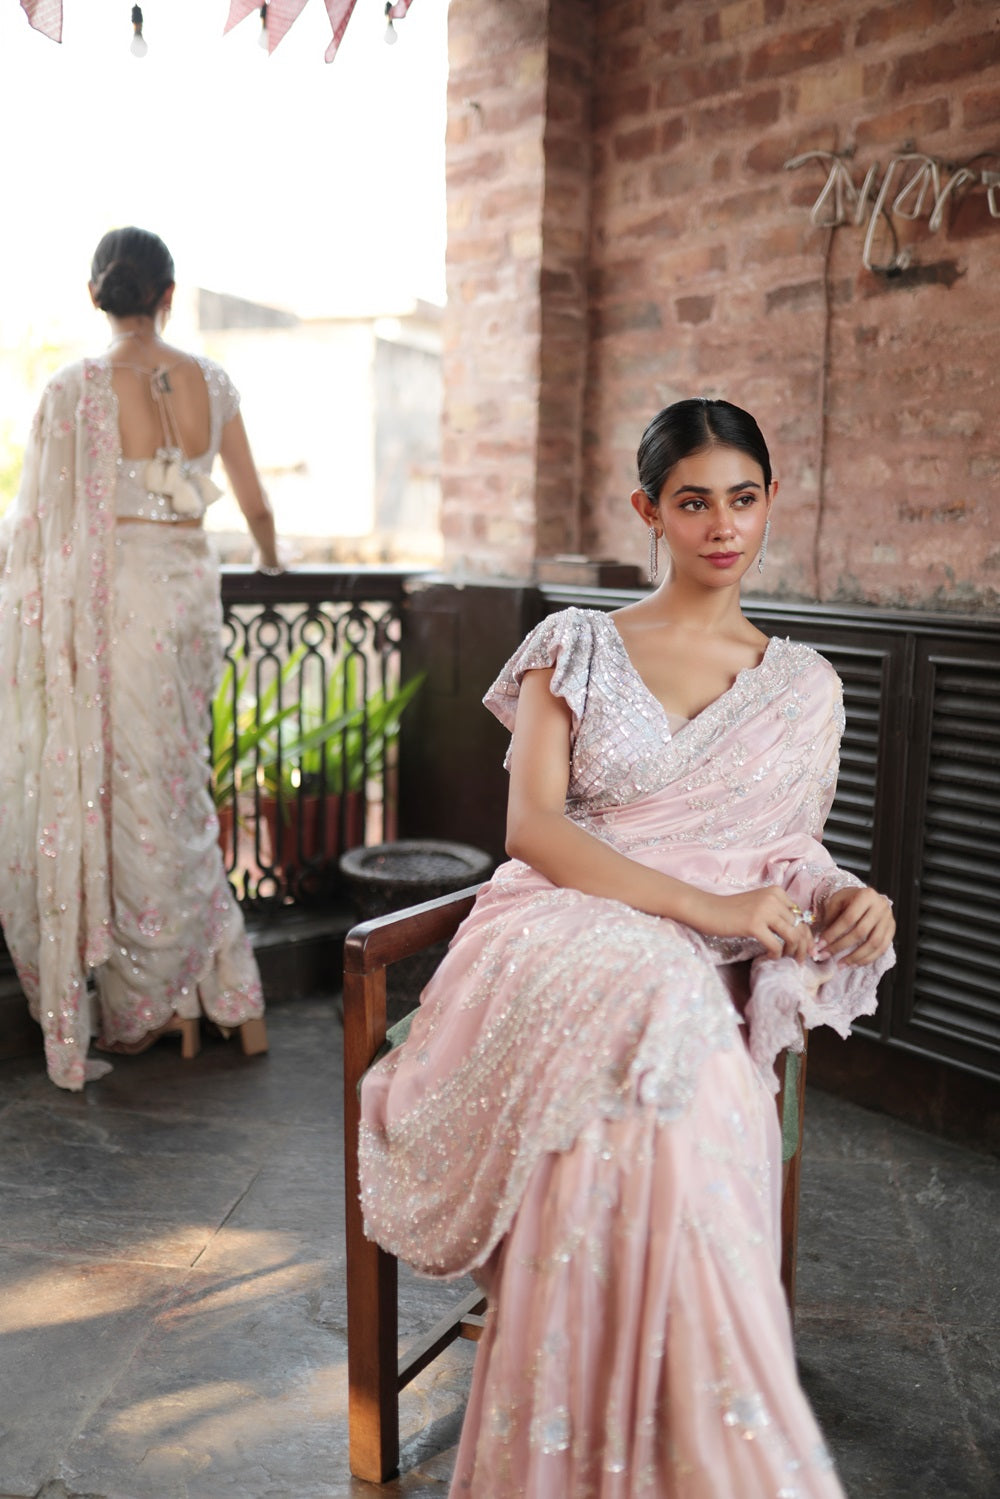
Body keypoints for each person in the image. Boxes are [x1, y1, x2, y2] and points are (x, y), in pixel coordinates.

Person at [358, 398, 896, 1497]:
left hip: (695, 965)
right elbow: (534, 831)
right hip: (555, 923)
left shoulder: (804, 687)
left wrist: (846, 892)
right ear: (649, 510)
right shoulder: (578, 645)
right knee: (655, 989)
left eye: (742, 498)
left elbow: (785, 847)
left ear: (769, 503)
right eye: (692, 500)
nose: (720, 524)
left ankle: (649, 1420)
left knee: (679, 1047)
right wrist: (708, 910)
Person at [0, 226, 281, 1091]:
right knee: (179, 778)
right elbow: (257, 507)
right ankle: (219, 994)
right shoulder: (214, 380)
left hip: (117, 600)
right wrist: (271, 565)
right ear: (168, 293)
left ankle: (153, 1005)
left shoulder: (73, 388)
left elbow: (34, 529)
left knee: (124, 784)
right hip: (192, 591)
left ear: (98, 295)